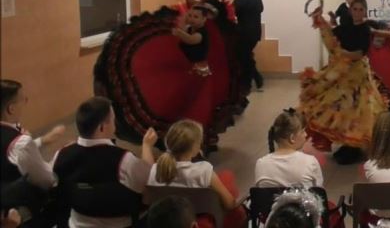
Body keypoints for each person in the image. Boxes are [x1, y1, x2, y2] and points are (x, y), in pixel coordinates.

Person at [299, 0, 387, 165]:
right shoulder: (346, 26)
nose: (358, 12)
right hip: (342, 74)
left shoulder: (365, 29)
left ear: (365, 11)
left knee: (356, 109)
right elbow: (332, 36)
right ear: (350, 10)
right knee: (341, 107)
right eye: (355, 9)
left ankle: (354, 145)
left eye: (361, 9)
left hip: (357, 76)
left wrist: (341, 54)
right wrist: (320, 19)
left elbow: (359, 53)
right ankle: (348, 143)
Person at [52, 96, 157, 228]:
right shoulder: (124, 160)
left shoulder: (60, 155)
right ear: (101, 127)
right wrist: (147, 146)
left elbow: (55, 189)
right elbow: (149, 185)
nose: (115, 123)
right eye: (113, 120)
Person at [148, 119, 245, 228]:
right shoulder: (203, 170)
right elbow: (230, 204)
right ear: (195, 149)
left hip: (170, 221)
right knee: (227, 177)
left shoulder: (154, 170)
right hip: (202, 219)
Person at [1, 79, 64, 213]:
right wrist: (59, 158)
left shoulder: (15, 142)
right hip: (16, 210)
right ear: (11, 109)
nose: (26, 102)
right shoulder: (20, 143)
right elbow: (45, 180)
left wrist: (42, 141)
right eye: (23, 99)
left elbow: (12, 152)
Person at [255, 109, 323, 188]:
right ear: (292, 138)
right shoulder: (310, 162)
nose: (306, 134)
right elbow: (319, 191)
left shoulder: (261, 163)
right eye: (303, 131)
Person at [233, 0, 264, 91]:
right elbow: (261, 9)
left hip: (244, 33)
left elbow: (233, 11)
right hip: (255, 33)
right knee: (246, 56)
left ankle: (248, 83)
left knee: (243, 58)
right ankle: (256, 78)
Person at [173, 5, 214, 77]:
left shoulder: (201, 32)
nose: (192, 19)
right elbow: (183, 29)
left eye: (196, 17)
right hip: (189, 61)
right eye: (190, 16)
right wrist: (184, 20)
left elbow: (191, 40)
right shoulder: (189, 28)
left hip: (200, 62)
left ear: (204, 19)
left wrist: (179, 32)